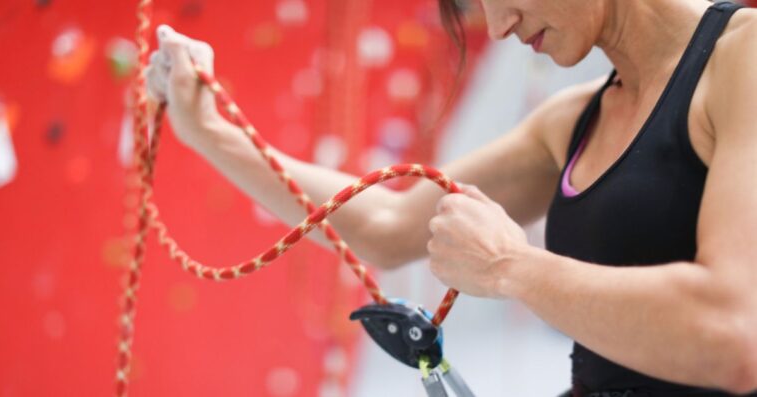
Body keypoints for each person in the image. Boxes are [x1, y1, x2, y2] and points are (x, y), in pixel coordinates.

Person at [144, 0, 757, 395]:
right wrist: (209, 134)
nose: (497, 27)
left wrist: (512, 269)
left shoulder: (744, 59)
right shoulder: (574, 119)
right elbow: (389, 222)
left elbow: (735, 334)